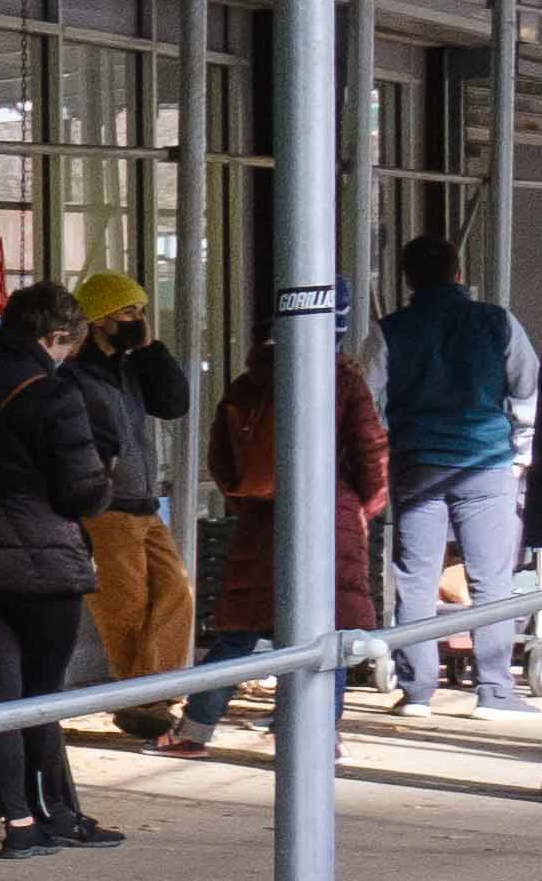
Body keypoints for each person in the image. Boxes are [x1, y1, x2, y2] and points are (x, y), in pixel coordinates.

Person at [0, 277, 128, 856]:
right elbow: (82, 492)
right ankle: (54, 812)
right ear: (55, 337)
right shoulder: (53, 395)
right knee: (42, 697)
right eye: (69, 348)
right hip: (43, 569)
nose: (68, 359)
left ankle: (19, 823)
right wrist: (105, 479)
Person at [177, 325, 388, 751]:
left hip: (261, 520)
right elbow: (370, 453)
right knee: (329, 634)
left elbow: (221, 459)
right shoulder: (343, 381)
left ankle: (195, 729)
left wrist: (249, 501)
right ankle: (319, 740)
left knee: (239, 635)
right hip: (330, 517)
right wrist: (361, 506)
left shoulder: (246, 385)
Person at [370, 234, 534, 712]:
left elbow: (365, 398)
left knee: (415, 580)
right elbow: (528, 389)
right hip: (487, 466)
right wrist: (520, 454)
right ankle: (495, 691)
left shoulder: (389, 330)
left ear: (408, 280)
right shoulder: (497, 321)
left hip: (418, 466)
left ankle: (417, 691)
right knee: (491, 582)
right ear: (459, 273)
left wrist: (390, 444)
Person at [68, 273, 198, 743]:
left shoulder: (129, 367)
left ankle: (151, 693)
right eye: (127, 312)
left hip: (145, 503)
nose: (137, 319)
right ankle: (143, 702)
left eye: (141, 311)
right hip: (107, 506)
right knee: (124, 605)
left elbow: (174, 403)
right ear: (99, 319)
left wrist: (150, 350)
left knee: (176, 592)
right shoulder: (75, 375)